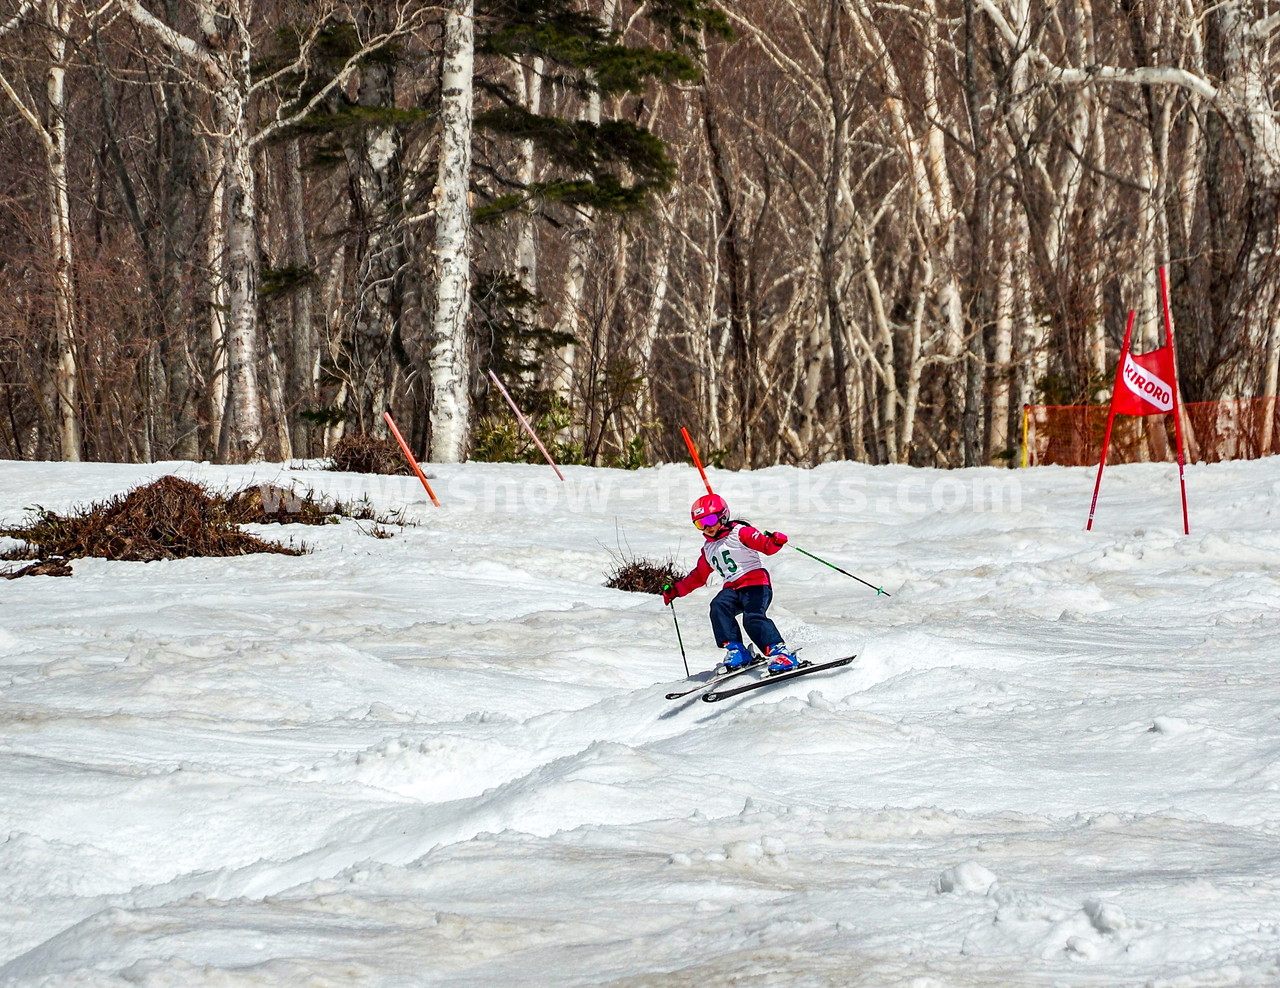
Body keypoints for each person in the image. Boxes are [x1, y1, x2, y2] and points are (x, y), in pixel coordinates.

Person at [662, 493, 798, 674]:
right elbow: (699, 576)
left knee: (752, 617)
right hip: (733, 588)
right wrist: (676, 590)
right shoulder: (708, 548)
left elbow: (765, 545)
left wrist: (775, 541)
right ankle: (737, 650)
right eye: (700, 524)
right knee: (718, 606)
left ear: (723, 516)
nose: (707, 527)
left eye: (710, 520)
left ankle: (779, 652)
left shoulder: (740, 532)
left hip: (755, 583)